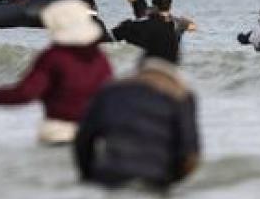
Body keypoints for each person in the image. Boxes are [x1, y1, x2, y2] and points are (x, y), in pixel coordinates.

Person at [0, 0, 113, 145]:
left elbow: (25, 93)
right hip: (94, 132)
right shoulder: (100, 59)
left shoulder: (54, 56)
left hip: (59, 132)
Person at [74, 56, 201, 191]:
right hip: (154, 180)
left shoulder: (111, 89)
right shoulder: (181, 96)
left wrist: (88, 177)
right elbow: (189, 156)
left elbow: (83, 139)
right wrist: (169, 181)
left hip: (108, 177)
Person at [118, 0, 196, 39]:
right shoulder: (177, 22)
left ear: (154, 5)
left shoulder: (144, 13)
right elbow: (193, 26)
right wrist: (185, 21)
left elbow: (132, 0)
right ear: (170, 6)